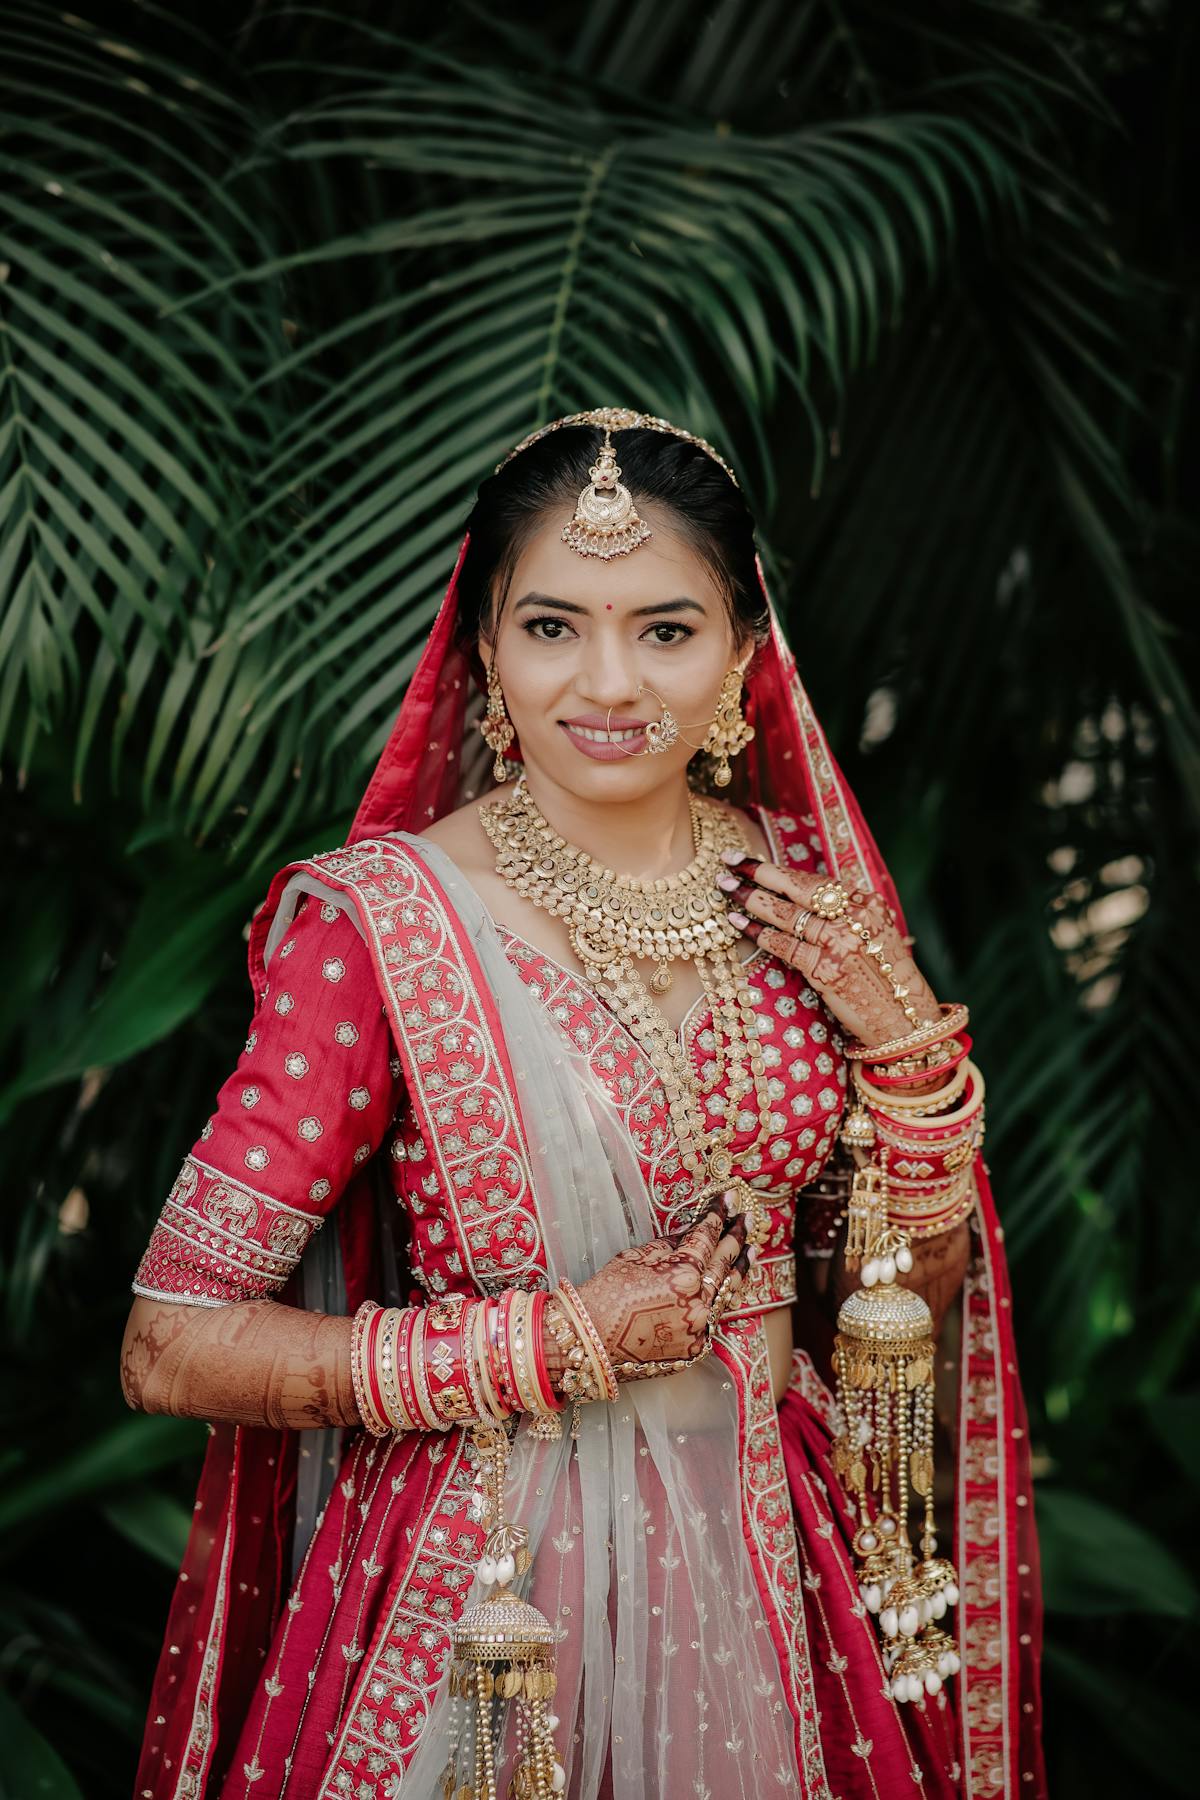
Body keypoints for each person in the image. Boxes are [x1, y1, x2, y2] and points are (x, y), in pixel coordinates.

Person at [121, 409, 1046, 1800]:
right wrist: (550, 1343)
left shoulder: (813, 911)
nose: (607, 681)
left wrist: (911, 1053)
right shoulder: (386, 929)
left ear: (745, 653)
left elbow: (890, 1321)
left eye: (665, 630)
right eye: (553, 627)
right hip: (488, 1593)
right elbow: (170, 1344)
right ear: (484, 647)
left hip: (775, 1558)